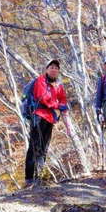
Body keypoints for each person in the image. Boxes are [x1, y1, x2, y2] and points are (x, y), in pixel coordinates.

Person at [25, 59, 70, 187]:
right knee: (35, 147)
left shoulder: (59, 85)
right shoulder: (40, 81)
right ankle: (29, 179)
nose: (54, 69)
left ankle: (39, 176)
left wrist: (62, 109)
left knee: (44, 148)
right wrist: (57, 105)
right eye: (51, 67)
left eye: (56, 68)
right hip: (38, 116)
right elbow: (44, 98)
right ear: (47, 69)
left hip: (50, 118)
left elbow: (63, 100)